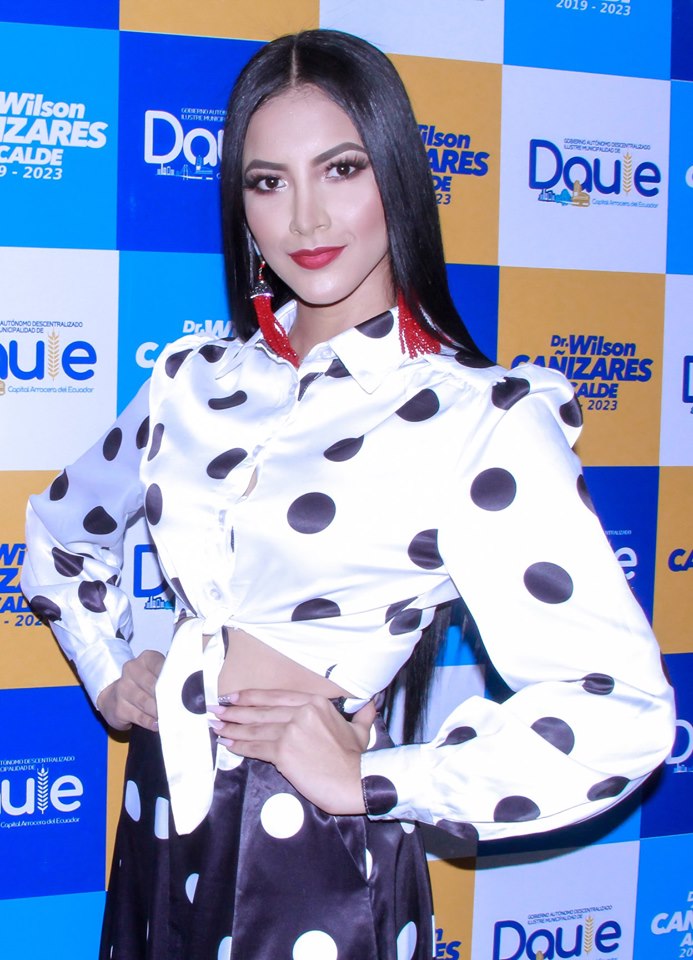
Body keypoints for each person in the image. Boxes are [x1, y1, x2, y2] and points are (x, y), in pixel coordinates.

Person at [21, 28, 674, 960]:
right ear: (241, 206)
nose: (305, 218)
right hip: (162, 809)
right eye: (268, 182)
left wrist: (380, 780)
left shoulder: (477, 418)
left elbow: (620, 711)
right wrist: (111, 666)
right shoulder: (192, 381)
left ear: (395, 176)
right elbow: (60, 533)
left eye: (340, 169)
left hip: (317, 846)